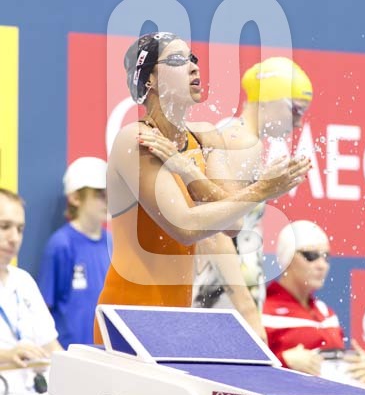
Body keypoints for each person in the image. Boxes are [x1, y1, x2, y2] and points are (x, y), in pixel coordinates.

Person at [95, 32, 311, 342]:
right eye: (177, 60)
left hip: (177, 320)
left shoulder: (205, 137)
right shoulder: (138, 140)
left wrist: (186, 170)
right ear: (150, 80)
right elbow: (184, 226)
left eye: (193, 58)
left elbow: (233, 224)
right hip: (127, 317)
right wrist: (263, 189)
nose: (194, 67)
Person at [192, 57, 312, 313]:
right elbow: (217, 232)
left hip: (223, 300)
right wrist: (247, 310)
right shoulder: (243, 143)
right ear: (269, 100)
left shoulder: (238, 136)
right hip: (222, 305)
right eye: (295, 110)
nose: (299, 122)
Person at [262, 220, 365, 395]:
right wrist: (283, 363)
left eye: (326, 256)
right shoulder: (263, 311)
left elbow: (335, 371)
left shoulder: (327, 313)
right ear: (286, 258)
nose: (322, 265)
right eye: (311, 255)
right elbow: (246, 376)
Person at [0, 188, 105, 395]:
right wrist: (7, 356)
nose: (14, 238)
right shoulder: (62, 244)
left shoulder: (23, 281)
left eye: (20, 229)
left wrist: (86, 373)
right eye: (4, 227)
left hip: (37, 392)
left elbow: (51, 346)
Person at [38, 157, 110, 348]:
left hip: (105, 356)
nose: (108, 200)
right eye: (99, 194)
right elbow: (42, 311)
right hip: (70, 354)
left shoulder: (113, 243)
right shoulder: (61, 244)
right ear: (75, 198)